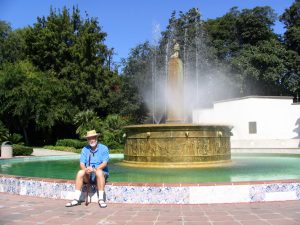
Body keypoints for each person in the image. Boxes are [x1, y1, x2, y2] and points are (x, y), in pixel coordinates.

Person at [65, 130, 109, 208]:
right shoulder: (85, 149)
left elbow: (105, 163)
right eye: (89, 138)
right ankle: (76, 199)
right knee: (80, 172)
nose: (91, 140)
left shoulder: (104, 148)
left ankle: (101, 199)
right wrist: (85, 170)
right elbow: (82, 164)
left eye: (93, 138)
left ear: (96, 138)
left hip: (100, 173)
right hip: (88, 174)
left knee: (99, 172)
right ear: (87, 140)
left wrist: (94, 169)